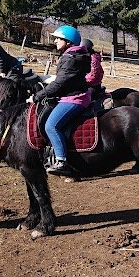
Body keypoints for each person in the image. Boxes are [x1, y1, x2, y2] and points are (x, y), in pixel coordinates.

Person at [32, 25, 91, 177]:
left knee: (51, 126)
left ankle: (61, 161)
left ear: (69, 42)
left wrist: (37, 96)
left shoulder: (71, 58)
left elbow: (60, 83)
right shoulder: (72, 56)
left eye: (59, 39)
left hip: (74, 98)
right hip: (70, 95)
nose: (56, 41)